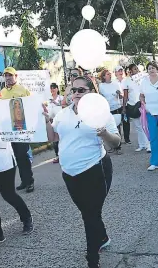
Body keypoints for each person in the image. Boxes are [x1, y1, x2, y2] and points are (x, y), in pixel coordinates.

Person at [44, 76, 120, 268]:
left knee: (90, 214)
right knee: (88, 212)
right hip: (70, 174)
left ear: (91, 92)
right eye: (73, 90)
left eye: (81, 90)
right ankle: (102, 237)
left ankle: (92, 259)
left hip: (96, 170)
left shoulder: (100, 112)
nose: (75, 94)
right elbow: (52, 137)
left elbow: (116, 142)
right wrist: (46, 120)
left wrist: (103, 133)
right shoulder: (63, 114)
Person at [0, 78, 33, 248]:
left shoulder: (1, 108)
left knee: (8, 194)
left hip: (2, 161)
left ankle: (26, 218)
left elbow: (15, 127)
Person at [0, 67, 34, 193]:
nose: (8, 78)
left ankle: (30, 181)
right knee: (16, 156)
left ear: (15, 76)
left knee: (23, 155)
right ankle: (24, 181)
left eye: (10, 75)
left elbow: (31, 106)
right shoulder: (2, 92)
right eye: (6, 75)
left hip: (21, 128)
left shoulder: (23, 90)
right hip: (9, 130)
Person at [122, 64, 150, 152]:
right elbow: (125, 95)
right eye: (134, 69)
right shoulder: (126, 81)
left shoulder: (142, 79)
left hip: (141, 103)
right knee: (138, 126)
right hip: (131, 104)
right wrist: (124, 106)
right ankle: (142, 145)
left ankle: (148, 144)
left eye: (137, 69)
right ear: (130, 71)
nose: (137, 70)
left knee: (144, 125)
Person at [99, 70, 123, 155]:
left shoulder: (116, 84)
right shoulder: (101, 86)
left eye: (110, 74)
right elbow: (100, 97)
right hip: (107, 109)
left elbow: (121, 95)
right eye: (108, 74)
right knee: (109, 128)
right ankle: (112, 146)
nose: (110, 75)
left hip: (116, 107)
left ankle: (118, 146)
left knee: (116, 127)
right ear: (104, 76)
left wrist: (119, 94)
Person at [114, 66, 131, 144]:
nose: (120, 72)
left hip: (126, 103)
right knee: (117, 122)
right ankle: (118, 139)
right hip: (117, 104)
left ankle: (127, 139)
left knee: (126, 121)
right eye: (119, 71)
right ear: (115, 73)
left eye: (121, 70)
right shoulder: (114, 82)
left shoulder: (126, 80)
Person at [48, 83, 63, 163]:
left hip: (61, 120)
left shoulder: (61, 98)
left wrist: (56, 103)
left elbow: (63, 106)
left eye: (54, 88)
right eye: (51, 88)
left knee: (62, 138)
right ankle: (57, 156)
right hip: (52, 121)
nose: (52, 90)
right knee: (55, 140)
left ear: (57, 89)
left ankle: (63, 154)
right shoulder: (48, 99)